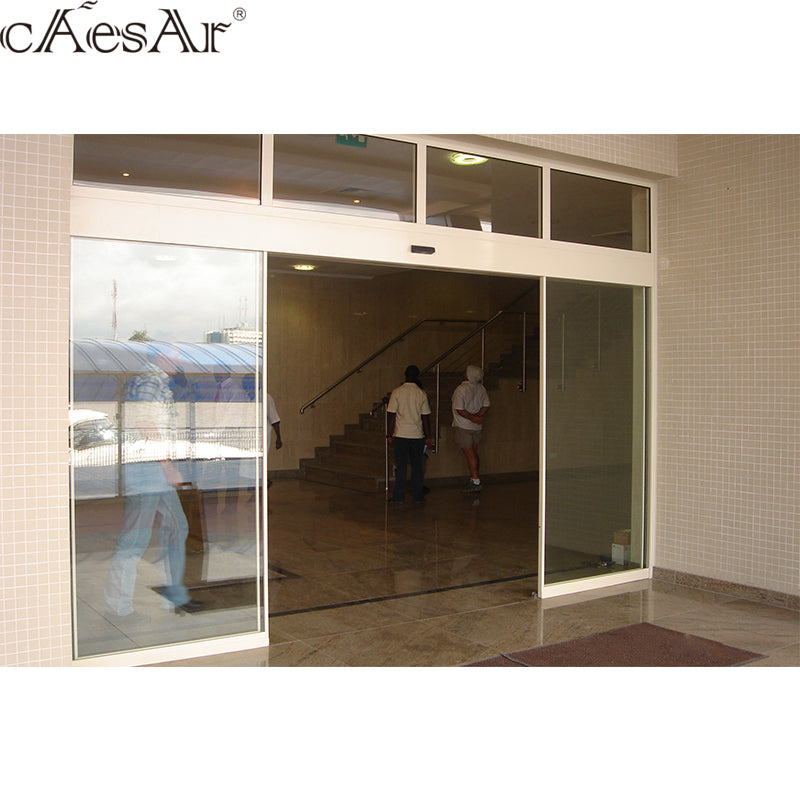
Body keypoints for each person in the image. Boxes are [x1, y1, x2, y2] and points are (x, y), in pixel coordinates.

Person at [104, 347, 203, 618]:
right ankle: (118, 604)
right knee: (135, 538)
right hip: (147, 470)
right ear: (161, 356)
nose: (181, 360)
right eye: (176, 354)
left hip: (154, 470)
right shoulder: (149, 380)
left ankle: (174, 595)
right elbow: (145, 422)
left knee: (177, 527)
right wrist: (167, 466)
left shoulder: (158, 381)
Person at [386, 365, 432, 504]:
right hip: (417, 436)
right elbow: (425, 417)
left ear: (405, 374)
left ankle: (399, 497)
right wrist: (428, 436)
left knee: (401, 467)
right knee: (417, 467)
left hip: (400, 435)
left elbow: (391, 415)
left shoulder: (397, 392)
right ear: (417, 376)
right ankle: (417, 496)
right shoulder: (421, 393)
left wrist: (389, 435)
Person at [452, 365, 490, 493]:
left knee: (470, 454)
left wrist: (472, 418)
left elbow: (459, 409)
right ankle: (475, 478)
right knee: (474, 453)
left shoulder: (461, 389)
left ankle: (475, 480)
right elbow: (486, 405)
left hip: (463, 426)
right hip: (476, 427)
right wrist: (478, 416)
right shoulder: (481, 388)